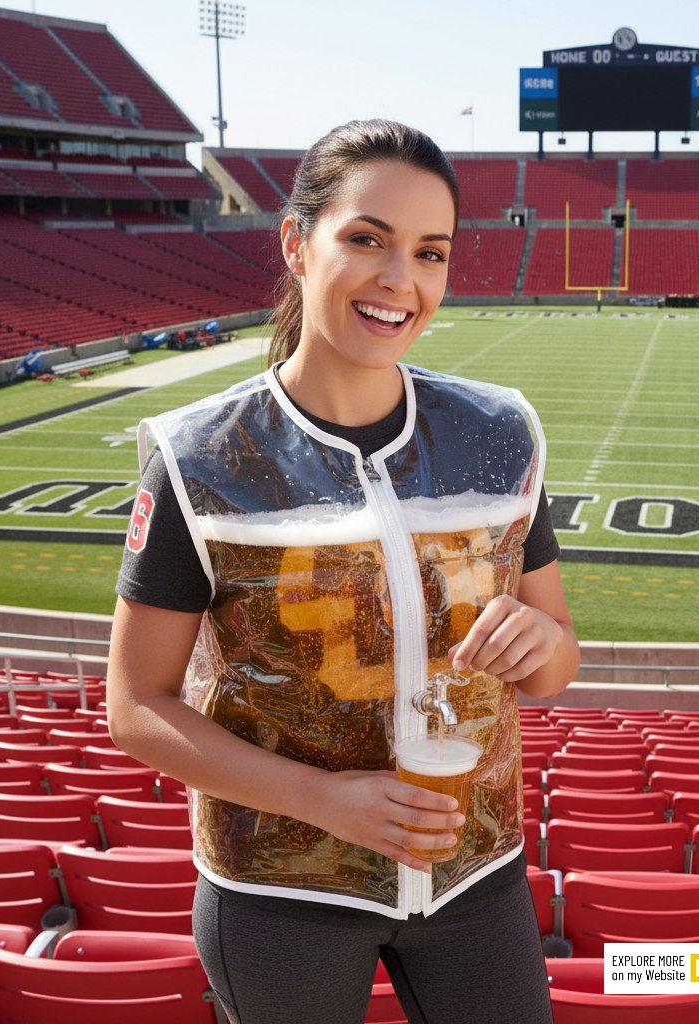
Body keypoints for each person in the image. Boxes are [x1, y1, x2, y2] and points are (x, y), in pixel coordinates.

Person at [106, 118, 580, 1024]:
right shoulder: (200, 458)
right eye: (367, 239)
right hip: (281, 891)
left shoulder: (499, 432)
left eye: (429, 252)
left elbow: (559, 662)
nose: (401, 280)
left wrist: (540, 640)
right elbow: (136, 707)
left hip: (474, 871)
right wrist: (325, 801)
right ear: (296, 242)